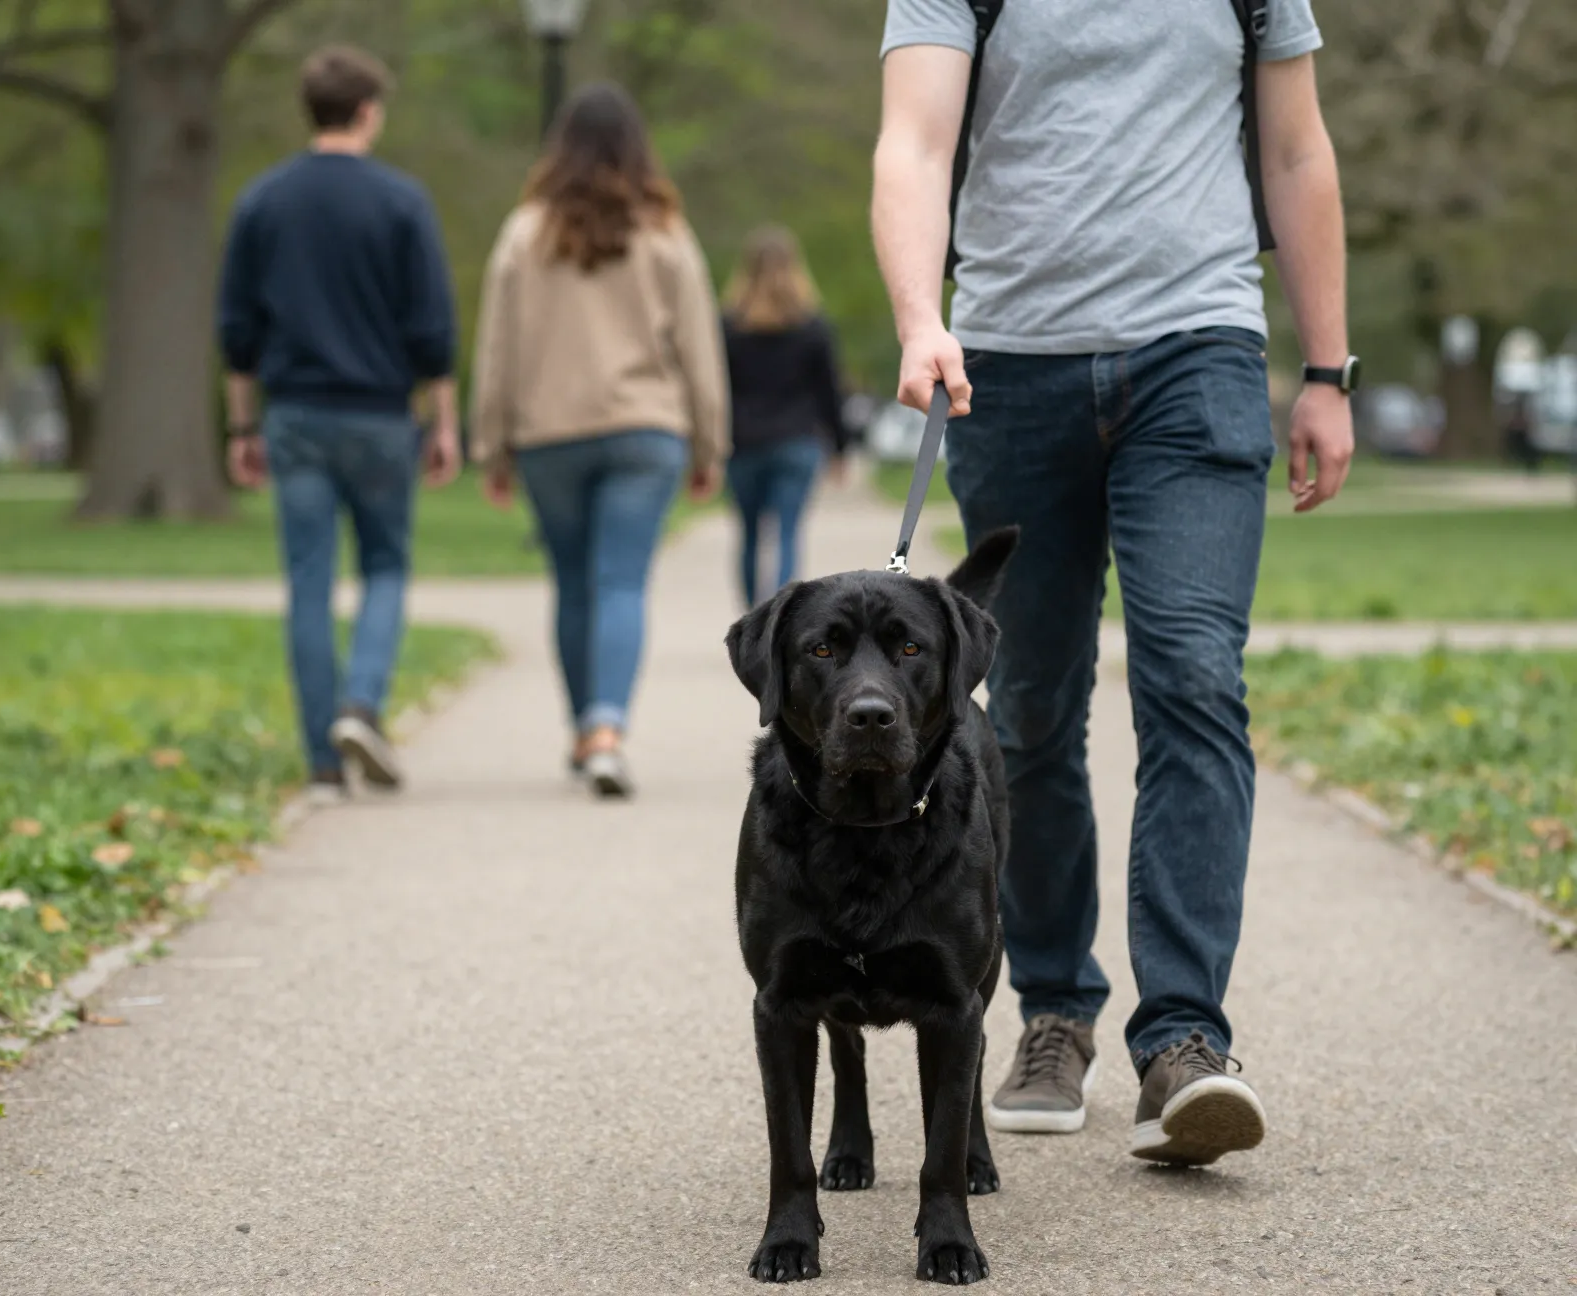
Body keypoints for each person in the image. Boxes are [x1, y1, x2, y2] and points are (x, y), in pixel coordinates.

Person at [874, 0, 1355, 1165]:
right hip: (1012, 367)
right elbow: (914, 143)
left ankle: (1185, 1040)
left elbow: (1296, 148)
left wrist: (1329, 367)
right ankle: (1050, 1009)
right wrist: (917, 316)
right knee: (1029, 707)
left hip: (1197, 350)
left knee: (1193, 675)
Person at [217, 44, 461, 801]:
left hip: (294, 413)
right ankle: (362, 704)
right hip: (381, 415)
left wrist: (241, 427)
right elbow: (431, 328)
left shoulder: (261, 201)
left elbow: (237, 328)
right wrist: (445, 420)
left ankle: (323, 761)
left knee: (309, 583)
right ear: (366, 111)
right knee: (385, 566)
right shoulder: (401, 202)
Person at [472, 82, 728, 800]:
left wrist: (491, 443)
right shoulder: (665, 232)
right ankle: (610, 728)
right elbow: (700, 346)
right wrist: (711, 443)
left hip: (551, 432)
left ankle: (584, 730)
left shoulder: (525, 232)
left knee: (574, 582)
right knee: (620, 580)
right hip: (647, 427)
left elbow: (499, 347)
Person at [721, 226, 851, 608]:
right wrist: (840, 448)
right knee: (788, 533)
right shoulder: (813, 326)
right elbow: (830, 392)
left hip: (741, 443)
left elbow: (718, 391)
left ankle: (753, 619)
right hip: (797, 442)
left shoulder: (728, 326)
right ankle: (778, 619)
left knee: (748, 535)